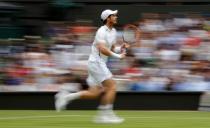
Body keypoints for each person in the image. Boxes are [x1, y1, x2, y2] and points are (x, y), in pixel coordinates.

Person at [55, 9, 128, 124]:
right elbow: (103, 49)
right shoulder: (101, 31)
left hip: (98, 64)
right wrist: (118, 56)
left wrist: (121, 48)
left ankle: (65, 97)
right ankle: (105, 115)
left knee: (94, 93)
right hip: (96, 63)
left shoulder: (113, 31)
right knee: (112, 86)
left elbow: (112, 48)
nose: (116, 17)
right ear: (107, 18)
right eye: (113, 15)